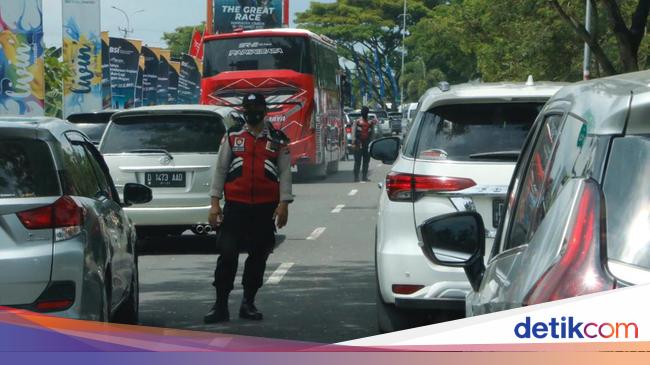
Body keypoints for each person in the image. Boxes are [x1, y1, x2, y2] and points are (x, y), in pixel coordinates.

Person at [204, 93, 293, 324]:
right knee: (227, 254)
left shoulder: (278, 139)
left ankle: (248, 303)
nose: (251, 112)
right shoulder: (233, 136)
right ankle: (220, 305)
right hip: (235, 207)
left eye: (255, 108)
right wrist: (215, 204)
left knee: (258, 256)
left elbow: (284, 173)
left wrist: (284, 204)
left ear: (265, 110)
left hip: (265, 209)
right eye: (247, 108)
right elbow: (220, 170)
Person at [352, 106, 376, 182]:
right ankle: (359, 177)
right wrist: (354, 142)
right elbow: (373, 134)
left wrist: (353, 142)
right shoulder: (358, 122)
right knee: (360, 161)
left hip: (364, 143)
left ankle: (361, 177)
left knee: (362, 161)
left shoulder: (369, 122)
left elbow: (372, 134)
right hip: (360, 143)